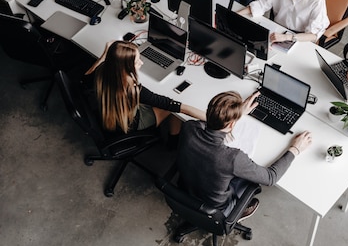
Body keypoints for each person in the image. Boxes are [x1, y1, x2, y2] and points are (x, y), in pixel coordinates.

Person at [177, 91, 312, 220]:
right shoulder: (232, 158)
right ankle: (236, 211)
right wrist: (295, 148)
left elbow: (205, 123)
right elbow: (271, 178)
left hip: (184, 190)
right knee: (251, 180)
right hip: (216, 208)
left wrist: (234, 115)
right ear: (231, 125)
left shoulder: (189, 127)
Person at [85, 40, 206, 135]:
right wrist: (212, 119)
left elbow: (86, 76)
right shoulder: (132, 89)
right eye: (137, 62)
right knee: (173, 105)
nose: (141, 63)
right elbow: (174, 105)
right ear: (126, 68)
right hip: (130, 123)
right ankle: (172, 141)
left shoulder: (102, 70)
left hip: (109, 114)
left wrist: (105, 54)